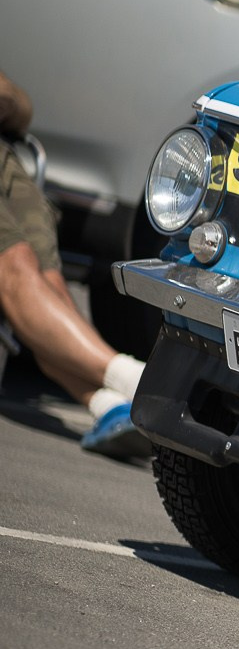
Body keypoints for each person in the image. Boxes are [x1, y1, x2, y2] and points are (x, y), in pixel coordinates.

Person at [0, 70, 150, 458]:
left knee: (47, 282)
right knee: (14, 265)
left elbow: (23, 112)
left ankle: (104, 402)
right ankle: (141, 384)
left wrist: (7, 98)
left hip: (5, 159)